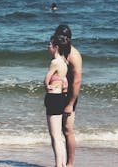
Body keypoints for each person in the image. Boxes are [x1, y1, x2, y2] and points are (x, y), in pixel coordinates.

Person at [54, 24, 82, 167]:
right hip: (58, 94)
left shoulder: (74, 55)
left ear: (68, 39)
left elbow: (76, 81)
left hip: (69, 97)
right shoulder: (60, 51)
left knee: (67, 130)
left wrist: (70, 103)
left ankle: (70, 164)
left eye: (61, 38)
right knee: (56, 131)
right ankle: (59, 163)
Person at [44, 34, 70, 167]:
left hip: (53, 97)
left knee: (54, 135)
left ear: (56, 47)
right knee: (59, 135)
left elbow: (46, 80)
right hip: (60, 98)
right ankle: (62, 164)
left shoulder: (54, 62)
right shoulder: (64, 62)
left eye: (49, 45)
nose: (48, 47)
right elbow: (64, 81)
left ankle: (58, 165)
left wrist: (47, 86)